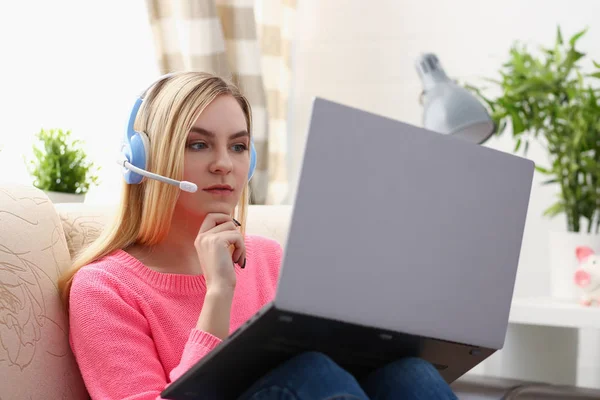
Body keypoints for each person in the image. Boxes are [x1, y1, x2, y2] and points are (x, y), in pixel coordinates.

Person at [58, 71, 458, 400]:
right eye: (198, 144)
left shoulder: (269, 258)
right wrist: (218, 294)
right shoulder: (103, 288)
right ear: (146, 159)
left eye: (238, 146)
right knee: (310, 374)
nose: (223, 164)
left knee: (410, 373)